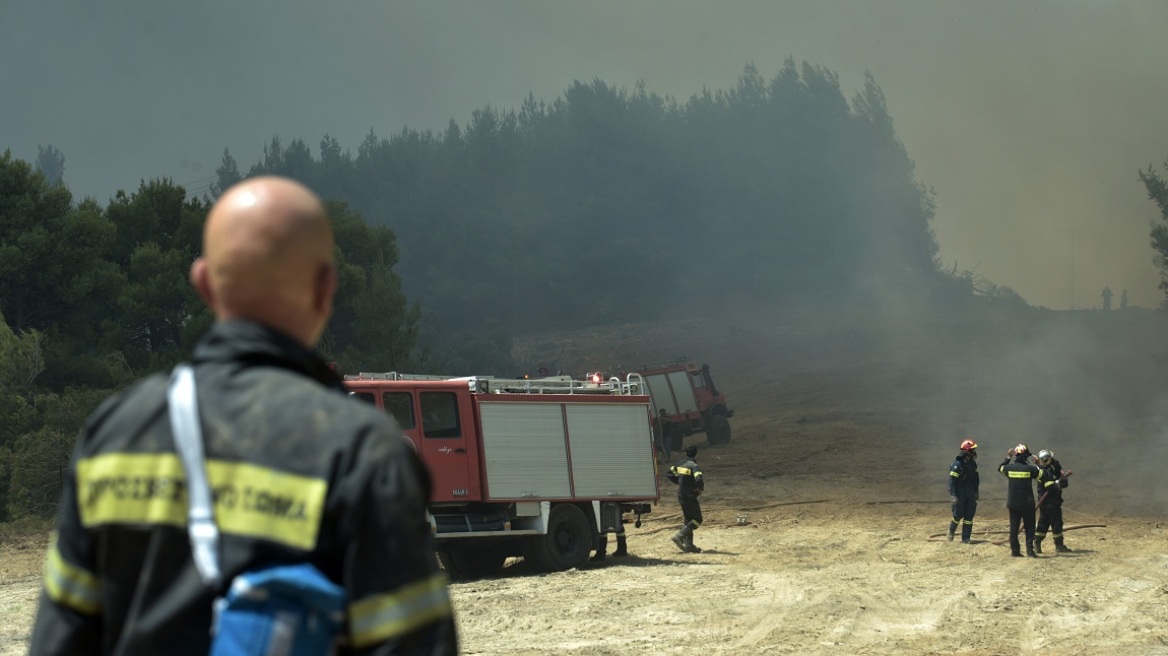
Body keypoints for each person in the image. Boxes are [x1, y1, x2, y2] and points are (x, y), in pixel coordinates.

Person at [29, 177, 458, 655]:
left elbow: (59, 639)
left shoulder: (114, 433)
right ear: (326, 288)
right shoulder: (362, 451)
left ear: (205, 284)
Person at [998, 443, 1049, 558]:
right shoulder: (1030, 469)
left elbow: (1000, 468)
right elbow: (1044, 475)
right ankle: (1030, 551)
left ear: (1016, 456)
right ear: (1026, 457)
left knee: (1014, 528)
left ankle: (1015, 552)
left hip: (1013, 504)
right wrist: (1039, 464)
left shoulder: (1009, 468)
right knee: (1030, 528)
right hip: (1027, 504)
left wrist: (1007, 457)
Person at [668, 445, 705, 553]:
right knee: (698, 520)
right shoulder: (694, 465)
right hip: (690, 496)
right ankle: (679, 536)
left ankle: (689, 545)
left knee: (688, 520)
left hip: (681, 495)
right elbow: (698, 479)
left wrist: (679, 481)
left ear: (685, 453)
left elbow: (669, 473)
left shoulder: (679, 463)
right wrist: (700, 489)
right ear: (695, 454)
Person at [1034, 449, 1071, 554]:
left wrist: (1062, 480)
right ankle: (1059, 546)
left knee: (1043, 523)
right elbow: (1051, 488)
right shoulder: (1044, 472)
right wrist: (1058, 485)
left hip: (1046, 503)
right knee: (1056, 523)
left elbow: (1062, 483)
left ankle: (1037, 541)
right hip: (1051, 503)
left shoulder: (1048, 470)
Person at [947, 439, 980, 544]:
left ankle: (966, 538)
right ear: (966, 451)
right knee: (958, 515)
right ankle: (951, 531)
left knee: (969, 516)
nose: (974, 452)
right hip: (960, 494)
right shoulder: (957, 465)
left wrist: (976, 490)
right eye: (972, 450)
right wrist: (953, 495)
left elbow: (975, 478)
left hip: (970, 493)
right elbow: (952, 481)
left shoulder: (972, 463)